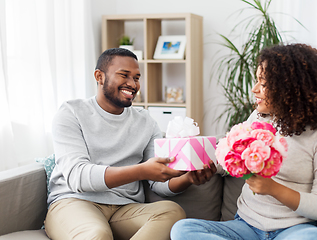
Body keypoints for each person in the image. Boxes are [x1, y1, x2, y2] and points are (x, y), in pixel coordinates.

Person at [171, 43, 317, 240]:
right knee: (182, 229)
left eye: (263, 83)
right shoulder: (259, 117)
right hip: (245, 227)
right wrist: (207, 166)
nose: (254, 90)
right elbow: (232, 159)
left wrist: (273, 188)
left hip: (293, 231)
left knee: (316, 239)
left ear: (290, 88)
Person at [44, 48, 217, 240]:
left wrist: (187, 179)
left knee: (172, 213)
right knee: (96, 235)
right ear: (99, 76)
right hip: (75, 202)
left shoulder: (145, 121)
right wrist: (141, 171)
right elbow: (78, 177)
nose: (132, 84)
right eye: (124, 75)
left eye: (136, 77)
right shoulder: (71, 113)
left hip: (124, 209)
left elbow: (157, 181)